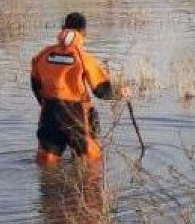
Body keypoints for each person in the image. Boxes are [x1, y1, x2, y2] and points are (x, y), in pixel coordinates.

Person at [30, 12, 129, 164]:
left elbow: (36, 86)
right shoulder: (84, 58)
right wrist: (121, 92)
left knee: (47, 162)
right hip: (77, 114)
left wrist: (49, 106)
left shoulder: (42, 55)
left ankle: (50, 185)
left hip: (49, 113)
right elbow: (102, 91)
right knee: (90, 163)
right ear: (83, 32)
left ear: (63, 28)